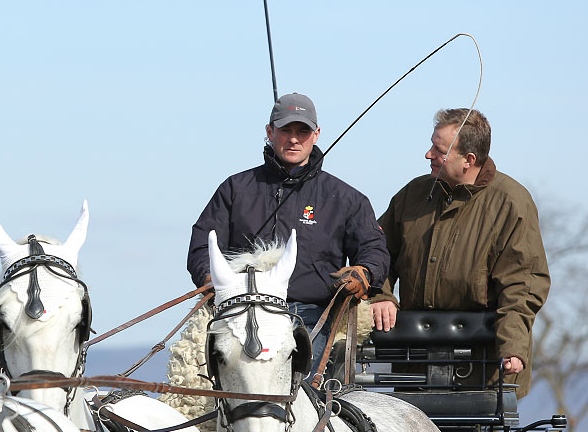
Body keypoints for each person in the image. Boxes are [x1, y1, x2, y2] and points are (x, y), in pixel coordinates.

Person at [187, 93, 390, 370]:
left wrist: (365, 272)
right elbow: (202, 243)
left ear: (316, 135)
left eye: (302, 131)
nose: (294, 139)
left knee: (298, 386)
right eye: (286, 130)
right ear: (270, 132)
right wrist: (209, 277)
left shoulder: (346, 198)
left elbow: (374, 248)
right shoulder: (235, 189)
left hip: (310, 315)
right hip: (241, 310)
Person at [369, 108, 550, 398]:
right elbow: (375, 252)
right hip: (414, 363)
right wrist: (380, 295)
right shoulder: (413, 195)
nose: (428, 155)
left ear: (468, 160)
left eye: (438, 150)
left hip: (482, 367)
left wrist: (513, 347)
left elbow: (523, 285)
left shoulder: (511, 203)